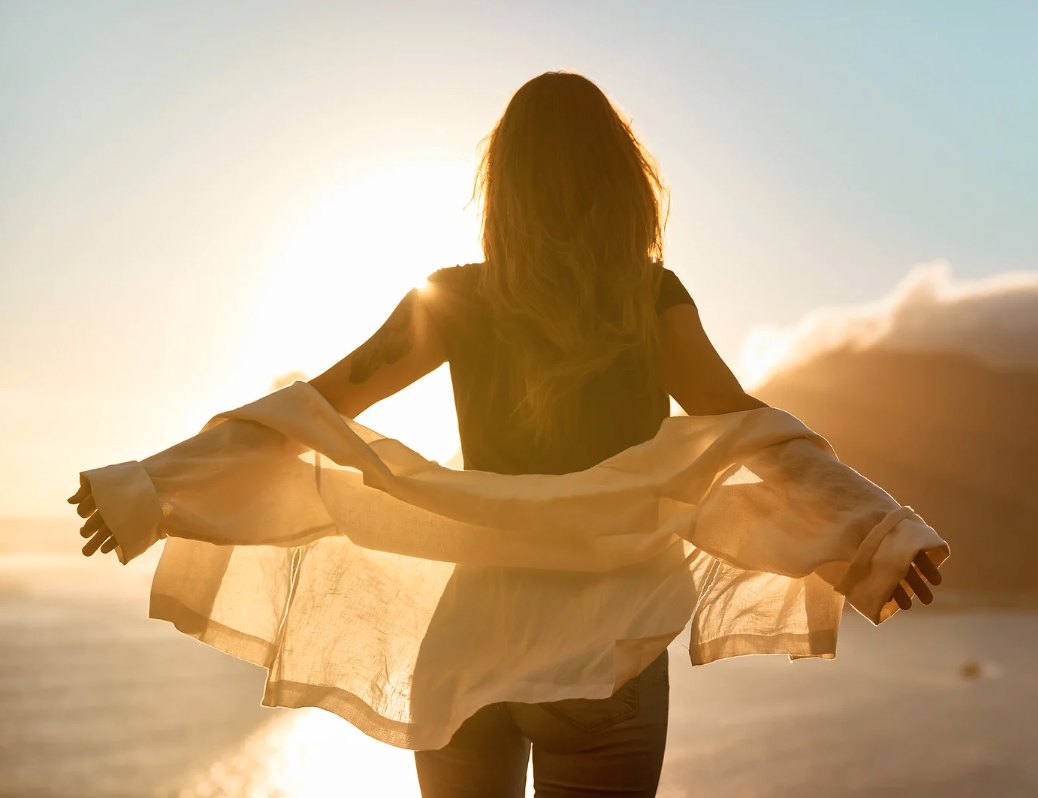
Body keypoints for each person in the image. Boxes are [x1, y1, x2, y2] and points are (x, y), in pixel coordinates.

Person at [71, 71, 942, 798]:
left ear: (506, 183)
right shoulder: (651, 299)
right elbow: (761, 435)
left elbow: (313, 410)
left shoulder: (454, 299)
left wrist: (151, 485)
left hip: (469, 648)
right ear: (622, 181)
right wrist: (877, 532)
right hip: (608, 648)